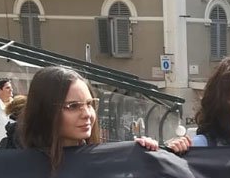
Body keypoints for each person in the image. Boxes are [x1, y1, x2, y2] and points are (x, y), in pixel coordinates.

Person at [21, 66, 158, 168]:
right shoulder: (17, 170)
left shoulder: (104, 160)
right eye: (73, 106)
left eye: (89, 104)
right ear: (45, 110)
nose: (87, 114)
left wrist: (147, 152)